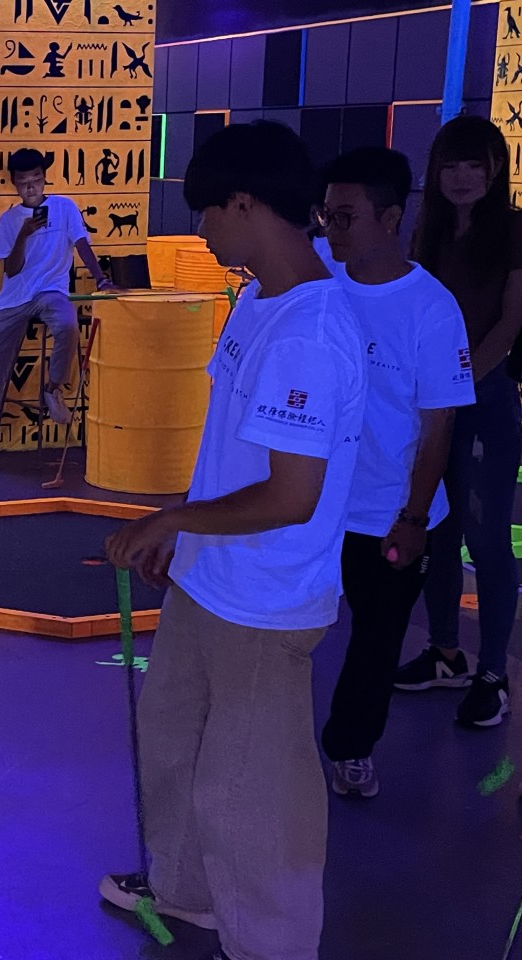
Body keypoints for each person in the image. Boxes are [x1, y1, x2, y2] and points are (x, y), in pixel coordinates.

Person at [101, 122, 366, 960]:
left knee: (253, 795)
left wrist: (171, 521)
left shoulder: (310, 333)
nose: (204, 231)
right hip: (208, 578)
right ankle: (188, 894)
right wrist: (183, 527)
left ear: (245, 203)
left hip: (267, 600)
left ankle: (273, 945)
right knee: (174, 745)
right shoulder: (257, 300)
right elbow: (233, 455)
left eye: (207, 212)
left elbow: (292, 496)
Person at [314, 147, 474, 799]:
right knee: (283, 621)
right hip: (311, 498)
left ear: (389, 218)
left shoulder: (431, 309)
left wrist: (413, 518)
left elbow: (439, 429)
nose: (331, 229)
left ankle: (351, 748)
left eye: (345, 216)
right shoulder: (317, 280)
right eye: (326, 215)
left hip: (387, 509)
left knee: (376, 640)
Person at [396, 116, 522, 727]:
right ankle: (445, 652)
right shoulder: (429, 228)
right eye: (452, 166)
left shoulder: (515, 229)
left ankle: (493, 673)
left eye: (476, 165)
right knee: (436, 528)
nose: (464, 177)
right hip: (430, 402)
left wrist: (461, 385)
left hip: (486, 400)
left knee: (486, 537)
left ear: (496, 170)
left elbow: (510, 322)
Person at [0, 148, 112, 466]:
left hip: (51, 290)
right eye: (24, 181)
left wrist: (101, 279)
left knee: (67, 324)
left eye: (36, 178)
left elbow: (82, 244)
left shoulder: (64, 207)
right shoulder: (9, 220)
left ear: (45, 178)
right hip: (15, 297)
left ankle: (53, 388)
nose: (31, 186)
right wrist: (23, 235)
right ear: (15, 184)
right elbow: (11, 270)